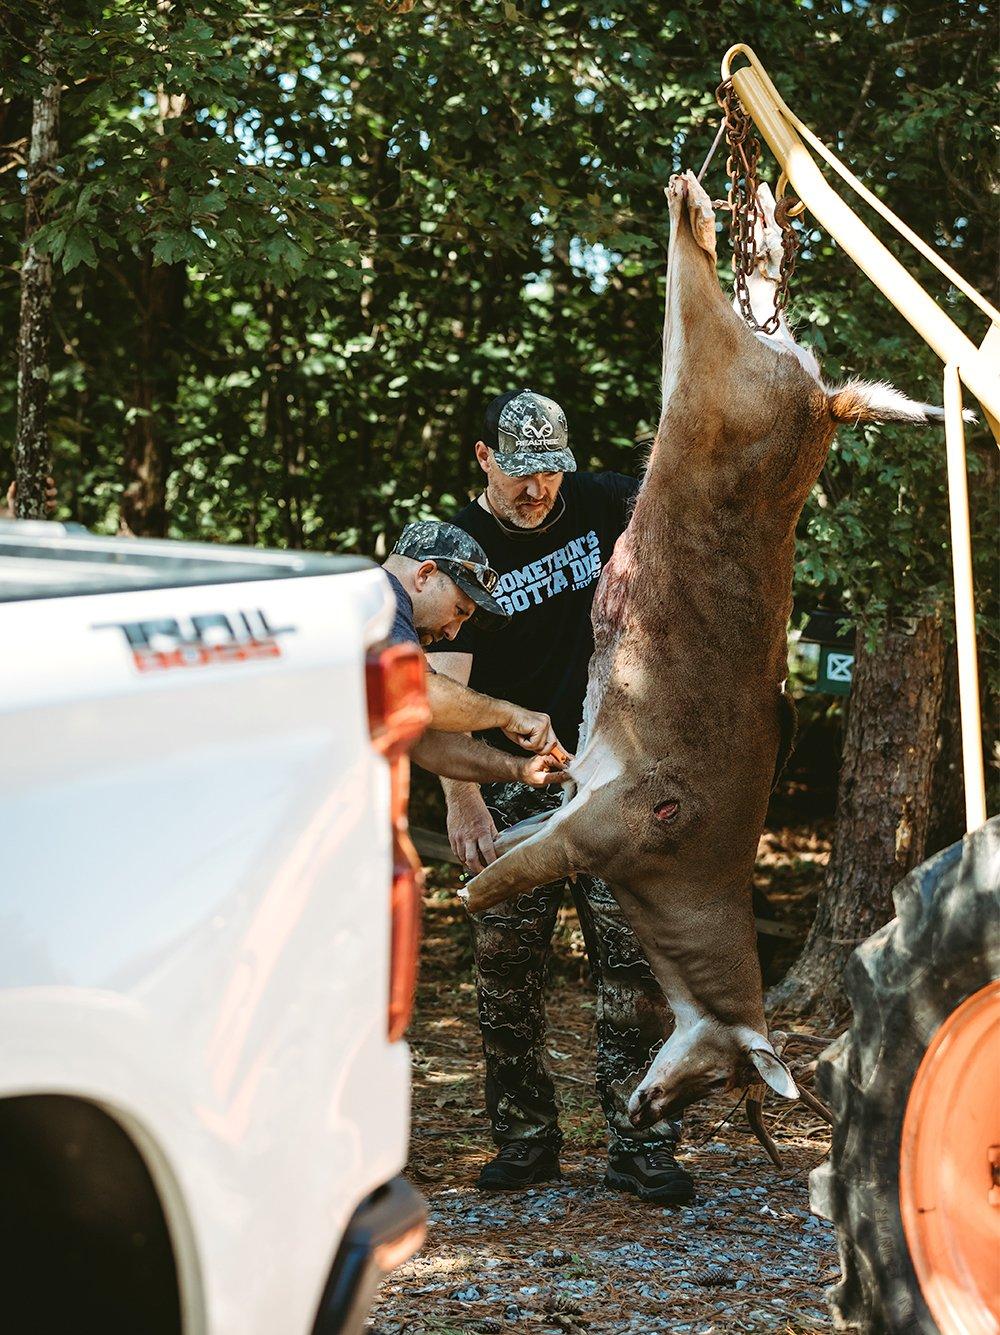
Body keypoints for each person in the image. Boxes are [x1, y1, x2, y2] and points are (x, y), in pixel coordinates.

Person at [428, 388, 694, 1204]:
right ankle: (526, 1139)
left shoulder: (600, 501)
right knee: (508, 964)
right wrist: (464, 802)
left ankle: (641, 1141)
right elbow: (439, 689)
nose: (537, 489)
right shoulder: (459, 545)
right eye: (519, 473)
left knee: (632, 962)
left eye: (550, 471)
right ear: (483, 458)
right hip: (511, 783)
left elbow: (682, 486)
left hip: (612, 768)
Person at [382, 519, 569, 790]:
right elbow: (422, 694)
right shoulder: (377, 594)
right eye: (459, 611)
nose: (452, 633)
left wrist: (520, 769)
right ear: (424, 574)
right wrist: (509, 714)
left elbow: (427, 741)